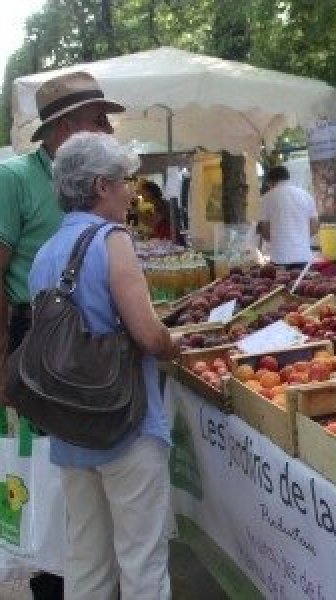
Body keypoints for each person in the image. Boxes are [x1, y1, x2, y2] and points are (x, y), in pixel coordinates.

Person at [30, 132, 178, 600]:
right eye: (123, 181)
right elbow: (148, 336)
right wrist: (176, 345)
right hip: (125, 423)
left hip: (71, 427)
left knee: (87, 561)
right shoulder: (112, 240)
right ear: (100, 186)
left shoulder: (47, 252)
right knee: (141, 562)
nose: (130, 191)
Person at [0, 70, 122, 600]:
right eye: (100, 120)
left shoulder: (98, 182)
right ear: (67, 126)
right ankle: (52, 584)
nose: (109, 130)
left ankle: (91, 582)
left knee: (86, 475)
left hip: (94, 342)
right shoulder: (15, 179)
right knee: (48, 479)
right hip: (38, 336)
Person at [258, 165, 319, 269]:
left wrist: (279, 239)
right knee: (305, 284)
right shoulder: (305, 195)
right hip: (303, 254)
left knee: (284, 283)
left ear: (270, 181)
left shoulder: (266, 198)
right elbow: (314, 226)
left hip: (280, 256)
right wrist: (300, 237)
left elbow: (265, 230)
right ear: (288, 177)